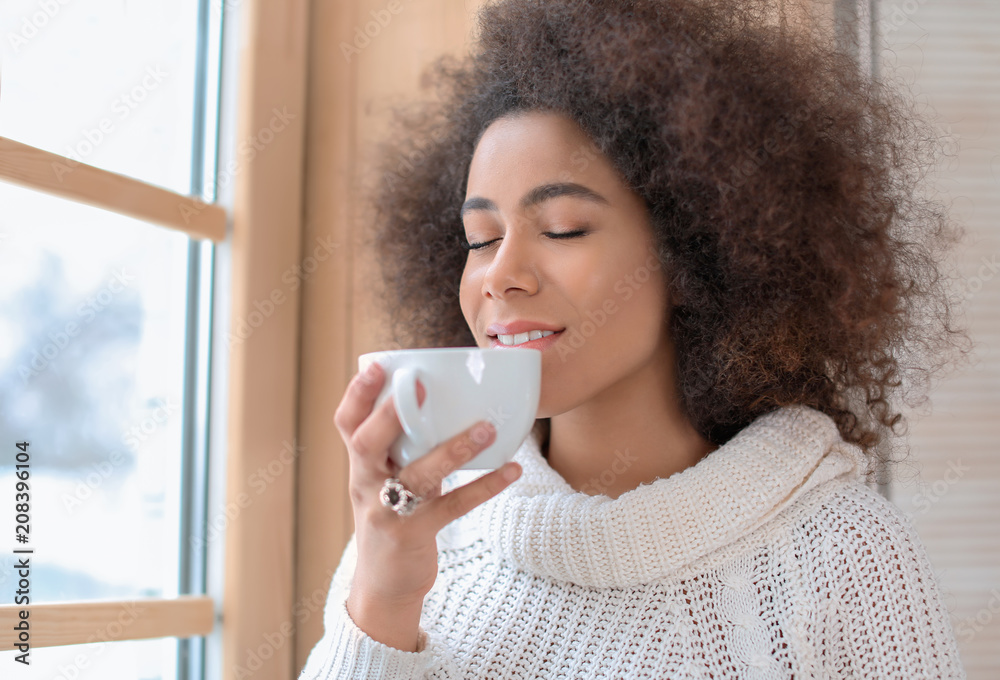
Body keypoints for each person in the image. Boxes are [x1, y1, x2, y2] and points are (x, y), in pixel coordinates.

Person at [300, 0, 971, 677]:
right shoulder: (415, 531)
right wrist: (382, 597)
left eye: (562, 228)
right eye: (481, 240)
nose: (499, 276)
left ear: (695, 248)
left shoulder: (844, 556)